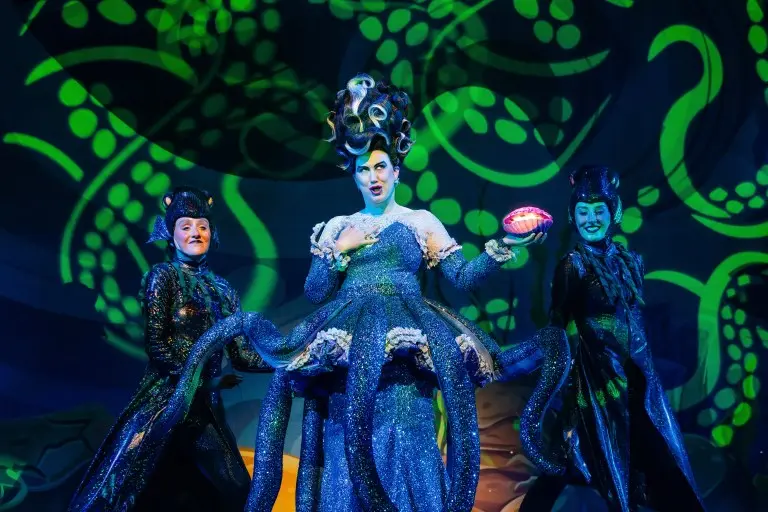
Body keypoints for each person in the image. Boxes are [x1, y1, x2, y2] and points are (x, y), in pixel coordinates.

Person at [151, 73, 546, 512]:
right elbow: (316, 291)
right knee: (348, 440)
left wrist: (505, 246)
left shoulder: (420, 221)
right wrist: (338, 252)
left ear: (396, 169)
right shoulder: (338, 226)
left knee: (408, 437)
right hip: (350, 343)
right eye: (363, 169)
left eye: (380, 167)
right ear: (353, 174)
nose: (372, 177)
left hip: (405, 343)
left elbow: (464, 277)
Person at [68, 187, 272, 511]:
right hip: (163, 403)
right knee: (135, 490)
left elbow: (242, 355)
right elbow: (158, 345)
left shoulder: (224, 290)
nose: (196, 233)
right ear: (171, 234)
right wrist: (200, 378)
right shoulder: (163, 276)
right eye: (186, 226)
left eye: (202, 226)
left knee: (236, 488)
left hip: (205, 410)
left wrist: (292, 360)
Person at [517, 166, 706, 512]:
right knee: (574, 461)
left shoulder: (630, 261)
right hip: (596, 384)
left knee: (660, 458)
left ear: (613, 212)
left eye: (598, 210)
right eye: (583, 212)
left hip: (639, 379)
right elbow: (557, 323)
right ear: (573, 216)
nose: (591, 219)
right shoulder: (573, 266)